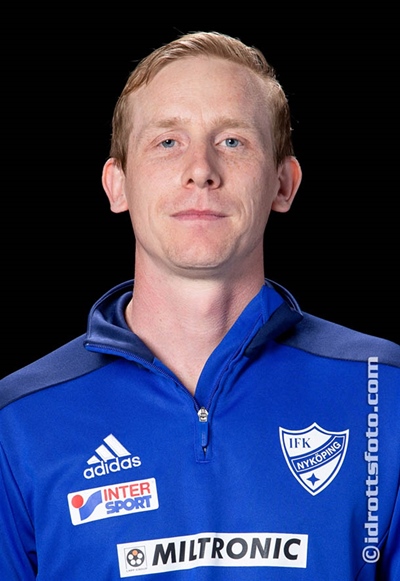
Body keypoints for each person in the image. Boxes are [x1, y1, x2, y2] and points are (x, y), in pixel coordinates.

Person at [0, 30, 399, 581]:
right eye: (168, 142)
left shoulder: (384, 392)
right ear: (117, 186)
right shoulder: (18, 421)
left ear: (283, 184)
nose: (201, 169)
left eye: (232, 141)